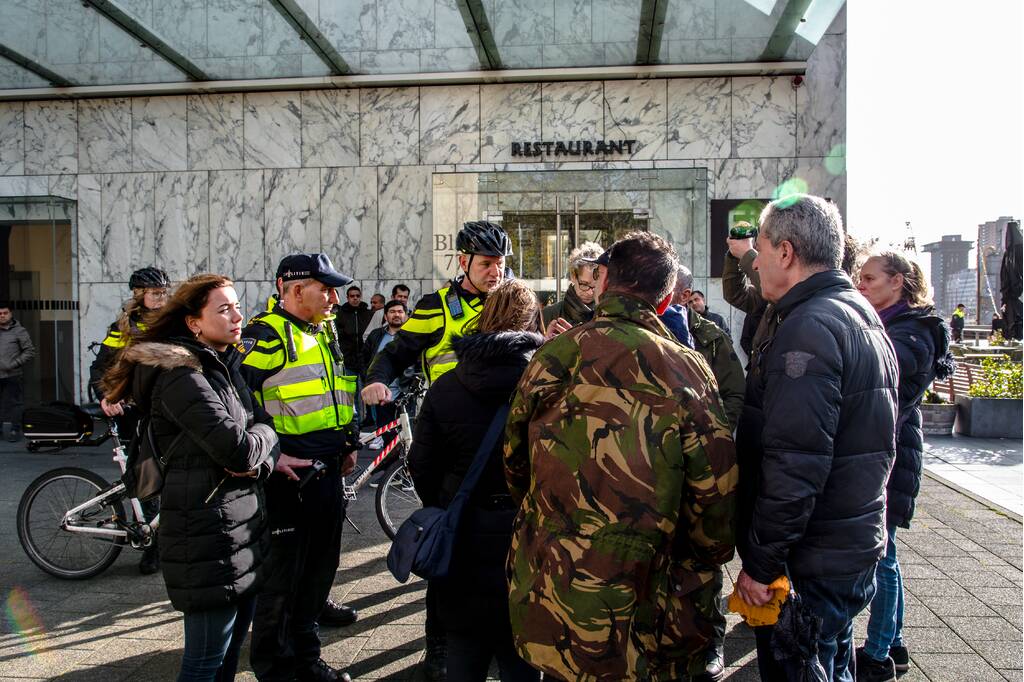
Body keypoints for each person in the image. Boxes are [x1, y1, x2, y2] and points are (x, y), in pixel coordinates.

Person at [504, 231, 738, 681]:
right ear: (666, 299)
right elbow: (715, 493)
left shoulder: (555, 355)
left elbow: (515, 464)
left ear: (605, 281)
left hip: (553, 592)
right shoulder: (686, 369)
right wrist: (707, 559)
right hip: (650, 604)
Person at [732, 195, 898, 682]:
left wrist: (762, 564)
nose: (755, 262)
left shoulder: (808, 327)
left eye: (761, 249)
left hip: (811, 558)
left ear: (785, 252)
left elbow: (795, 464)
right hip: (844, 546)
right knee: (832, 662)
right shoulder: (855, 312)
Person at [363, 221, 536, 681]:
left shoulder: (512, 302)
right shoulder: (436, 305)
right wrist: (377, 379)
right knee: (445, 551)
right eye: (487, 263)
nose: (496, 271)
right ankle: (438, 646)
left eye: (501, 263)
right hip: (452, 436)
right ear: (463, 262)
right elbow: (397, 352)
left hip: (504, 435)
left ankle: (501, 641)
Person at [100, 274, 278, 682]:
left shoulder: (222, 364)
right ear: (193, 322)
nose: (238, 317)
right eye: (224, 309)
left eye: (237, 306)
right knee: (204, 663)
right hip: (206, 534)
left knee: (228, 658)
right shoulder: (180, 374)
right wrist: (263, 441)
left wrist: (260, 456)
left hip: (239, 529)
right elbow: (240, 447)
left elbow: (261, 429)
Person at [408, 279, 543, 682]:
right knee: (523, 658)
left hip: (463, 530)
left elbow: (421, 463)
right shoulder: (545, 386)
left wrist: (447, 503)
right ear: (532, 322)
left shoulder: (446, 385)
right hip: (527, 534)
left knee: (464, 652)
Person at [239, 254, 359, 682]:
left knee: (318, 570)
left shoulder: (321, 330)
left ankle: (306, 658)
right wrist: (271, 455)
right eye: (324, 290)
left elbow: (339, 391)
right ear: (292, 290)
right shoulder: (266, 335)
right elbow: (235, 403)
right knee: (283, 579)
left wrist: (347, 443)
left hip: (327, 469)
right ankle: (277, 667)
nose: (334, 298)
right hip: (289, 480)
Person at [854, 252, 955, 681]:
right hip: (892, 452)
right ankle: (893, 644)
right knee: (886, 552)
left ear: (897, 282)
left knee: (883, 556)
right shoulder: (897, 326)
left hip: (891, 456)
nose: (861, 285)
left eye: (869, 278)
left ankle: (878, 655)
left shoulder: (909, 332)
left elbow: (883, 384)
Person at [89, 265, 171, 575]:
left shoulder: (174, 322)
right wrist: (107, 396)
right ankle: (152, 546)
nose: (161, 298)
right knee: (145, 479)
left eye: (164, 292)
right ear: (139, 295)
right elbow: (101, 367)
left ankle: (167, 538)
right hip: (134, 414)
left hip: (165, 409)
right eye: (155, 293)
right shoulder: (122, 328)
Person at [661, 266, 744, 430]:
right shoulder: (643, 329)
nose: (656, 294)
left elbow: (733, 394)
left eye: (665, 287)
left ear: (684, 296)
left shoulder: (713, 337)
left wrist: (715, 435)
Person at [360, 300, 410, 450]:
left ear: (406, 315)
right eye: (392, 312)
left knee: (408, 433)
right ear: (386, 316)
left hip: (405, 393)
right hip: (382, 395)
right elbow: (364, 358)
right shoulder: (376, 335)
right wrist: (369, 379)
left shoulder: (412, 336)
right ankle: (390, 458)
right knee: (387, 432)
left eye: (400, 312)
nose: (396, 315)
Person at [540, 241, 602, 330]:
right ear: (573, 276)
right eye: (584, 284)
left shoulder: (610, 315)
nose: (590, 292)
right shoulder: (547, 316)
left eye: (595, 286)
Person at [0, 304, 35, 442]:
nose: (2, 316)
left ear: (11, 314)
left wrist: (13, 364)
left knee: (15, 403)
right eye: (0, 314)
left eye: (5, 313)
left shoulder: (19, 331)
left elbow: (30, 351)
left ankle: (15, 430)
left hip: (12, 374)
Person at [334, 285, 373, 376]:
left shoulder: (368, 314)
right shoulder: (340, 314)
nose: (355, 298)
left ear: (361, 297)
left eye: (357, 296)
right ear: (347, 298)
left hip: (365, 360)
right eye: (352, 296)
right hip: (347, 360)